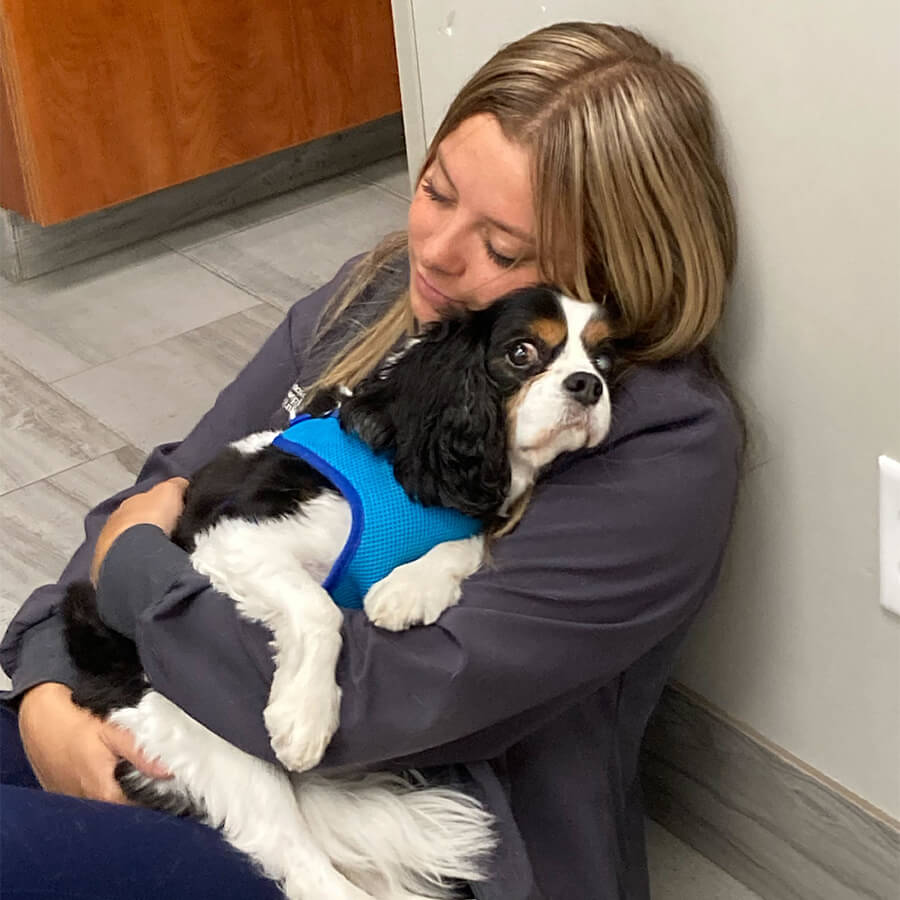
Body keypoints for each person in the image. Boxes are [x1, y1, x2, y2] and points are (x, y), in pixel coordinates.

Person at [0, 21, 742, 900]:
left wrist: (140, 584)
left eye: (503, 250)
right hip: (183, 715)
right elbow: (166, 489)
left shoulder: (661, 448)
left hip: (393, 837)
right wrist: (48, 689)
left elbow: (389, 704)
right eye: (434, 190)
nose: (434, 250)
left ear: (606, 275)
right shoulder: (383, 299)